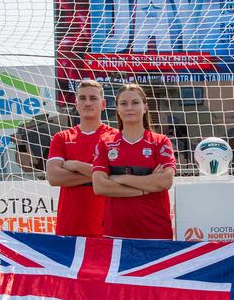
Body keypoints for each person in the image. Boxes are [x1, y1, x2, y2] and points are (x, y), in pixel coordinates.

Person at [92, 84, 176, 239]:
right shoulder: (105, 143)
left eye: (135, 102)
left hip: (156, 232)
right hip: (115, 234)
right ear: (117, 109)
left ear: (145, 107)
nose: (129, 107)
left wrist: (119, 178)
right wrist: (146, 187)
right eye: (123, 103)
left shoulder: (160, 142)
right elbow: (99, 186)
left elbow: (165, 181)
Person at [46, 80, 117, 237]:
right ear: (76, 104)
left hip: (107, 228)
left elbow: (117, 176)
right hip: (69, 227)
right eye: (83, 98)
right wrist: (99, 175)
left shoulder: (115, 137)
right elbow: (54, 177)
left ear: (103, 104)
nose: (87, 103)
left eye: (93, 98)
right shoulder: (61, 138)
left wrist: (76, 165)